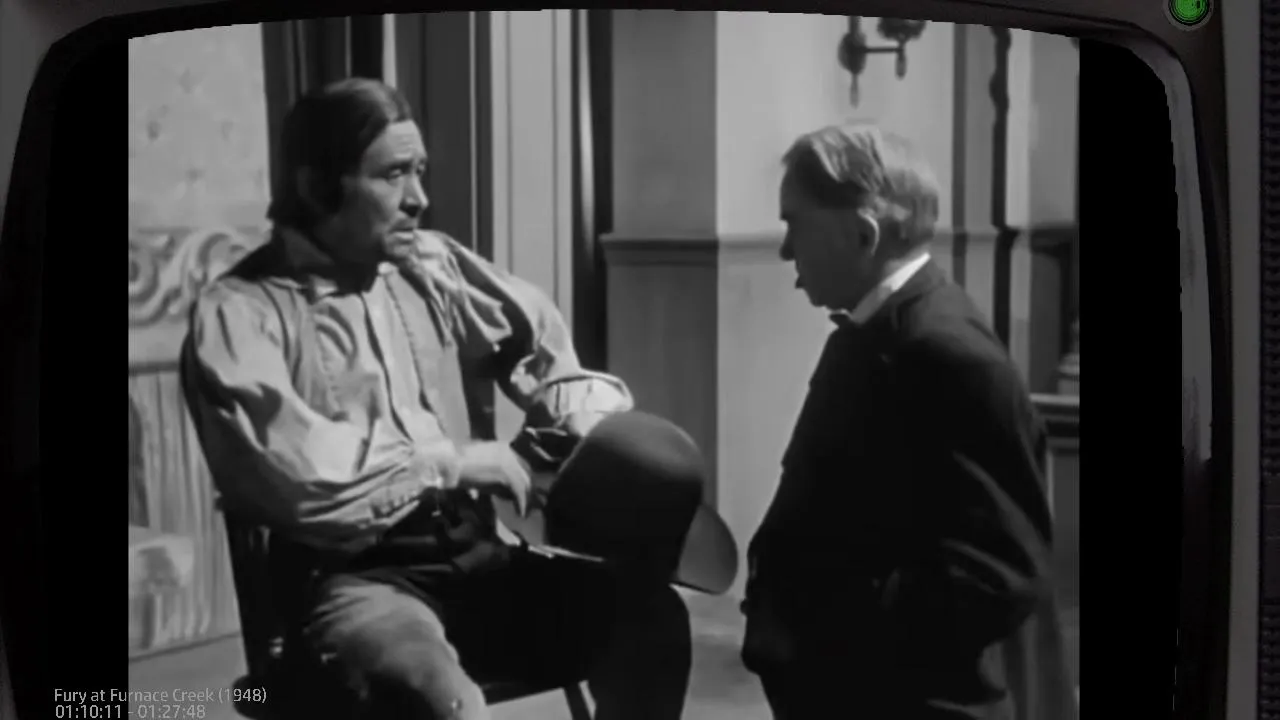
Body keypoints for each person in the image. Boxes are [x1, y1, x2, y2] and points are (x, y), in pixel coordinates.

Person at [180, 78, 691, 720]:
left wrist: (586, 436)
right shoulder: (242, 312)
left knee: (650, 619)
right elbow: (301, 479)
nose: (418, 198)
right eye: (392, 175)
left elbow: (540, 349)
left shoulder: (430, 266)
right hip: (357, 582)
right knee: (443, 701)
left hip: (479, 560)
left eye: (418, 171)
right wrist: (451, 463)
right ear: (315, 186)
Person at [740, 122, 1067, 719]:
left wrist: (831, 624)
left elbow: (999, 569)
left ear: (863, 234)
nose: (785, 250)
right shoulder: (878, 329)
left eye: (795, 224)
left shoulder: (947, 353)